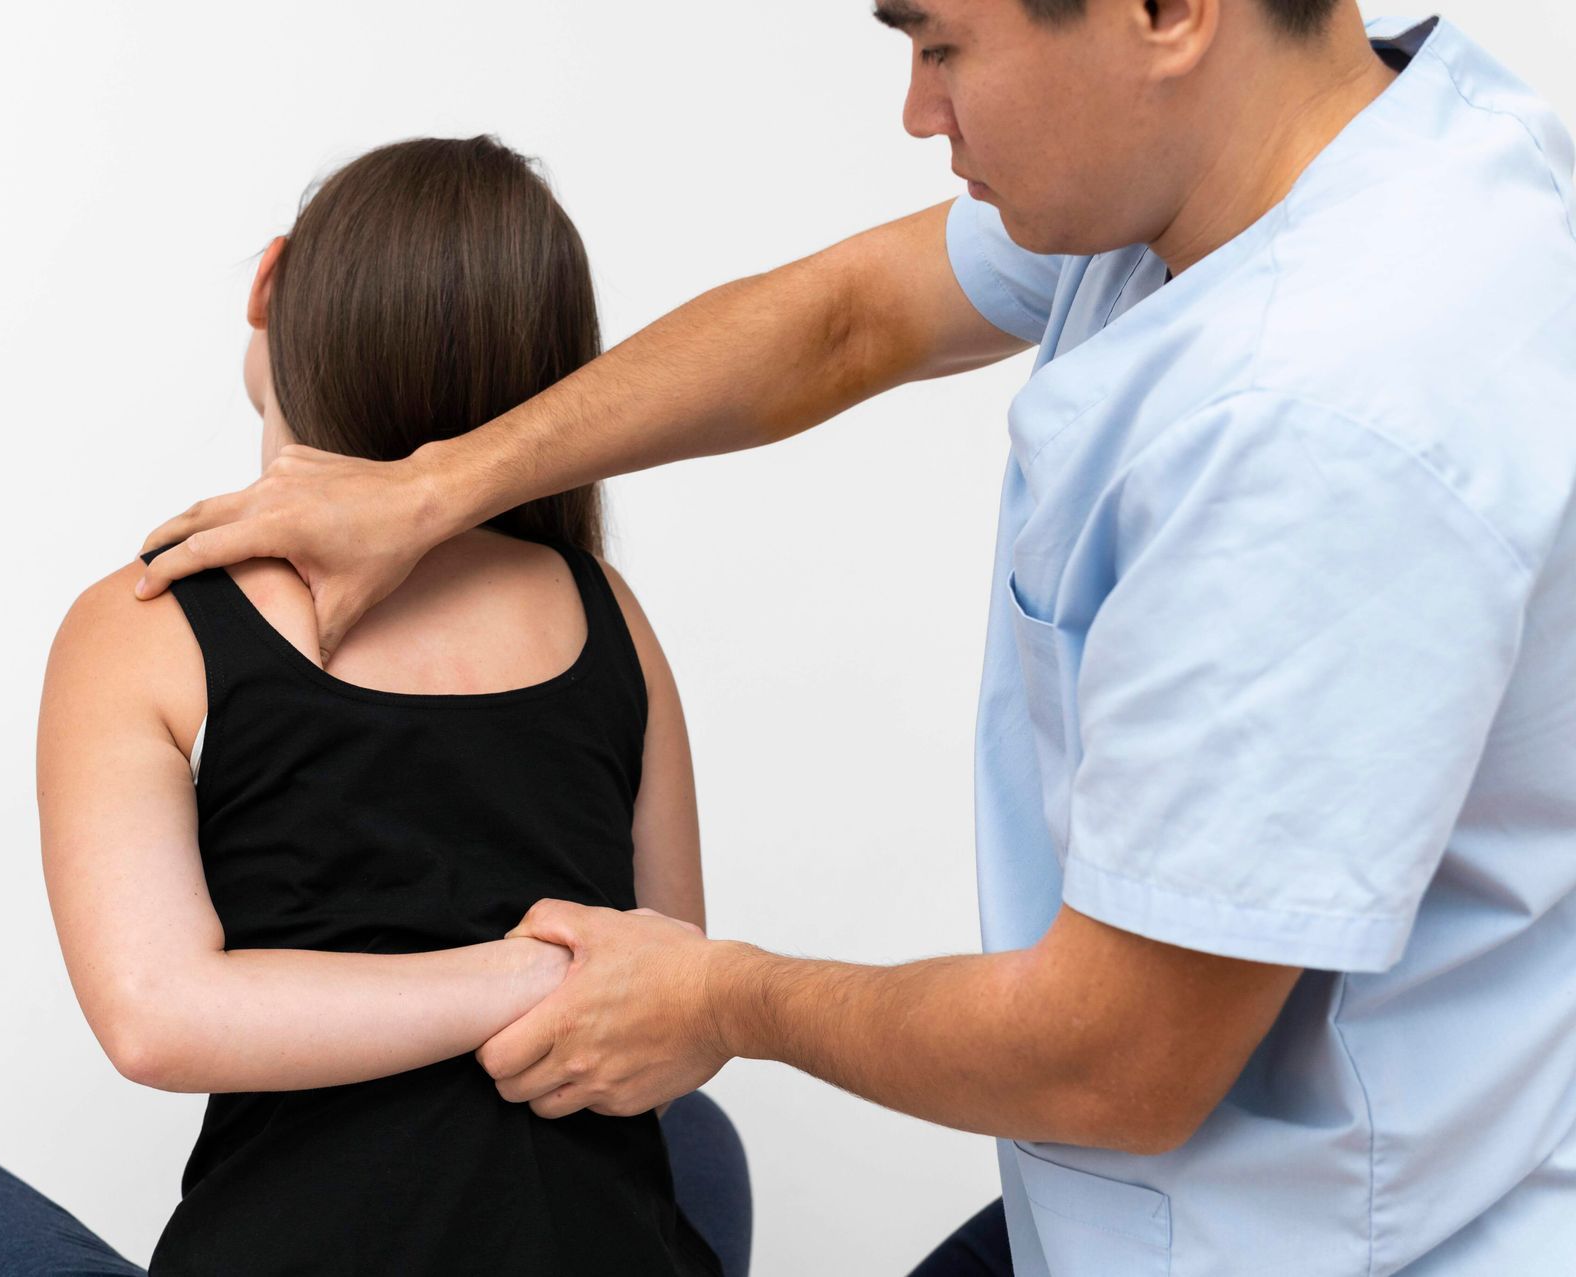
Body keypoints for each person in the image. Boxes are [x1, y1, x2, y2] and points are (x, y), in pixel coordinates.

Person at [131, 4, 1576, 1275]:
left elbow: (1113, 1060)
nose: (915, 110)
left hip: (1314, 1229)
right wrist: (441, 485)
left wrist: (724, 999)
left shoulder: (1325, 430)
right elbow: (842, 321)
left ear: (1168, 11)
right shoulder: (1332, 153)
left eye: (942, 45)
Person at [0, 137, 751, 1277]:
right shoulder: (605, 607)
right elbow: (672, 987)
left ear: (267, 283)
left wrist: (512, 976)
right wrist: (540, 978)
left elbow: (157, 1017)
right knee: (693, 1145)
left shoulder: (149, 615)